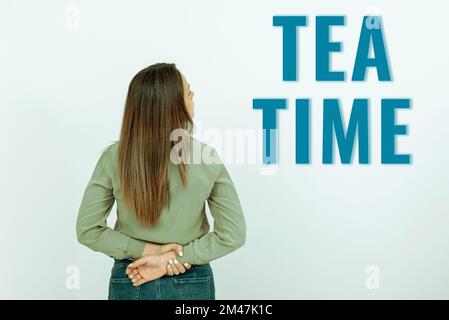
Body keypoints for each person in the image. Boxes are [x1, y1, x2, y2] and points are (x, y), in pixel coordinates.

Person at [76, 63, 246, 300]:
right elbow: (233, 234)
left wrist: (147, 251)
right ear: (174, 104)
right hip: (191, 278)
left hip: (131, 276)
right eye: (188, 91)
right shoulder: (207, 158)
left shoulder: (113, 158)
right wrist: (174, 257)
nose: (193, 95)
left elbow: (88, 230)